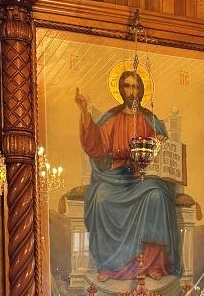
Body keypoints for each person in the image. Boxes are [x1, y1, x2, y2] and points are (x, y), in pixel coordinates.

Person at [75, 71, 182, 281]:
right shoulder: (112, 119)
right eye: (127, 86)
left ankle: (154, 264)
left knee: (157, 197)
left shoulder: (150, 119)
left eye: (136, 86)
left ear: (141, 90)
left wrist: (160, 142)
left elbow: (163, 152)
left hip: (144, 177)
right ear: (121, 90)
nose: (132, 91)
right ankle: (110, 266)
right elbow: (96, 146)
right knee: (101, 198)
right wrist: (85, 112)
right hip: (116, 177)